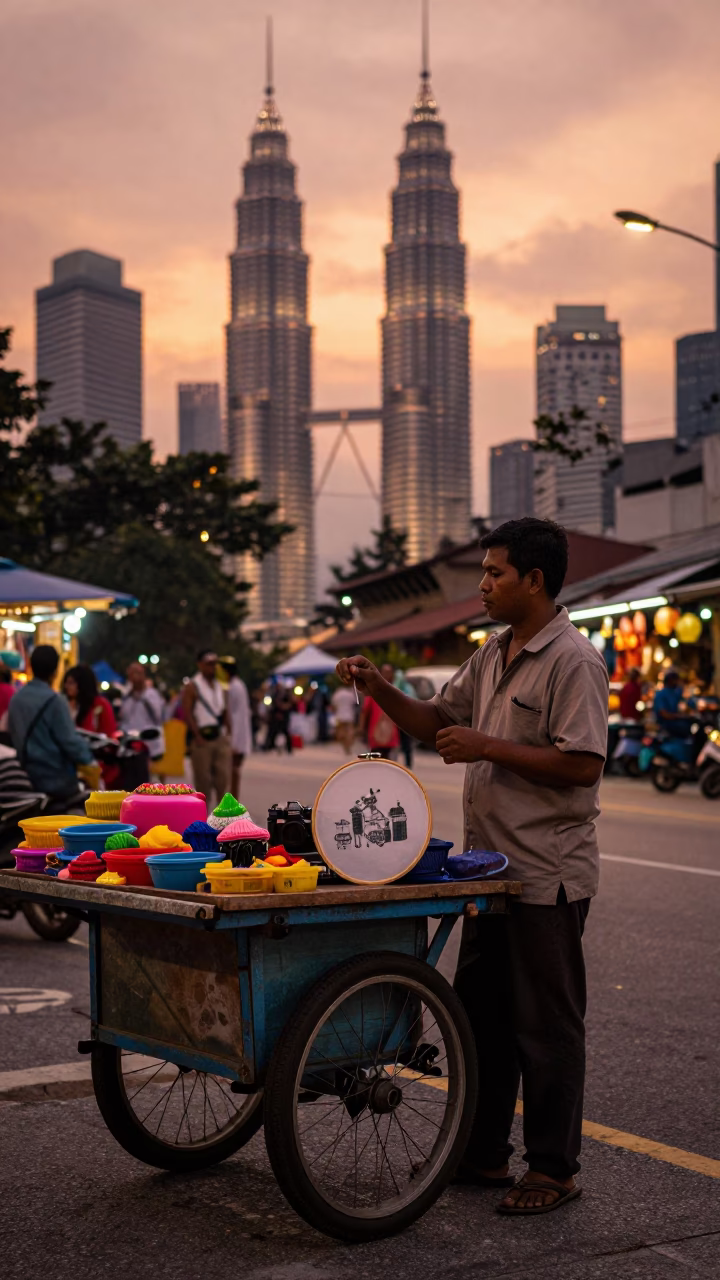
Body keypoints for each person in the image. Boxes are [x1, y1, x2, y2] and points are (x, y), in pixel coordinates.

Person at [337, 518, 608, 1216]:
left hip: (544, 875)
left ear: (535, 580)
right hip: (485, 873)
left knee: (545, 1028)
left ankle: (554, 1169)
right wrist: (379, 687)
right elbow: (432, 720)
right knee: (480, 1019)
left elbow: (581, 765)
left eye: (494, 573)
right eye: (483, 572)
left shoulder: (572, 660)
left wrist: (489, 745)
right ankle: (482, 1153)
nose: (483, 585)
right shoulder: (493, 653)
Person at [8, 645, 94, 797]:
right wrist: (89, 759)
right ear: (55, 671)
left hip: (22, 777)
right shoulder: (55, 701)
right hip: (54, 780)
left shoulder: (16, 699)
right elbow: (69, 741)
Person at [182, 650, 232, 804]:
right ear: (200, 665)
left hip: (219, 736)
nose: (213, 667)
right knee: (203, 780)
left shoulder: (220, 685)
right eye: (209, 664)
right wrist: (196, 735)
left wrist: (229, 732)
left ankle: (220, 813)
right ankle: (203, 816)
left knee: (222, 778)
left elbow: (224, 709)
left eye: (215, 663)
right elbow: (187, 712)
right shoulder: (192, 686)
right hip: (202, 738)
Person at [118, 662, 166, 764]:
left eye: (137, 673)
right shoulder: (126, 697)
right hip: (131, 745)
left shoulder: (152, 694)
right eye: (131, 674)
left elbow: (158, 718)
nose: (135, 676)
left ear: (143, 675)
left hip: (149, 745)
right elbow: (123, 718)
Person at [219, 657, 252, 798]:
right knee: (234, 769)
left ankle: (233, 800)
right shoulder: (239, 684)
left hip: (236, 734)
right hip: (240, 733)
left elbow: (232, 714)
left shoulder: (233, 687)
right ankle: (234, 800)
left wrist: (232, 739)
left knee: (232, 770)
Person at [359, 662, 400, 758]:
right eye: (385, 672)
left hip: (391, 734)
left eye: (389, 672)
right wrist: (361, 728)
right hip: (375, 735)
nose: (387, 675)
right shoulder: (373, 691)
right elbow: (365, 711)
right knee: (376, 763)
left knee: (390, 765)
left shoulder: (395, 691)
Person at [63, 665, 117, 736]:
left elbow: (109, 732)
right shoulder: (63, 702)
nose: (66, 686)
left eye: (71, 683)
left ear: (82, 684)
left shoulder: (100, 704)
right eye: (66, 683)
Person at [653, 668, 692, 738]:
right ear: (670, 681)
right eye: (676, 680)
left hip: (674, 722)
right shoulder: (661, 694)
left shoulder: (674, 692)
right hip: (666, 725)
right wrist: (680, 716)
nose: (677, 682)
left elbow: (686, 702)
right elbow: (664, 714)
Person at [393, 668, 417, 769]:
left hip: (406, 721)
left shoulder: (409, 689)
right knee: (395, 743)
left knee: (406, 743)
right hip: (396, 721)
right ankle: (394, 762)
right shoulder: (394, 687)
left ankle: (408, 763)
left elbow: (414, 703)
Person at [264, 685, 295, 753]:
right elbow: (272, 705)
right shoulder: (273, 694)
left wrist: (283, 707)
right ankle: (269, 746)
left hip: (284, 716)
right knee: (273, 732)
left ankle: (289, 748)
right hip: (275, 716)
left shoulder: (286, 695)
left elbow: (290, 704)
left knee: (285, 732)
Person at [331, 681, 357, 755]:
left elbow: (333, 705)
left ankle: (345, 747)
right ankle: (348, 746)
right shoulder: (350, 693)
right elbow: (354, 704)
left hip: (340, 716)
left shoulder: (337, 693)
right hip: (349, 715)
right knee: (349, 732)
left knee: (341, 732)